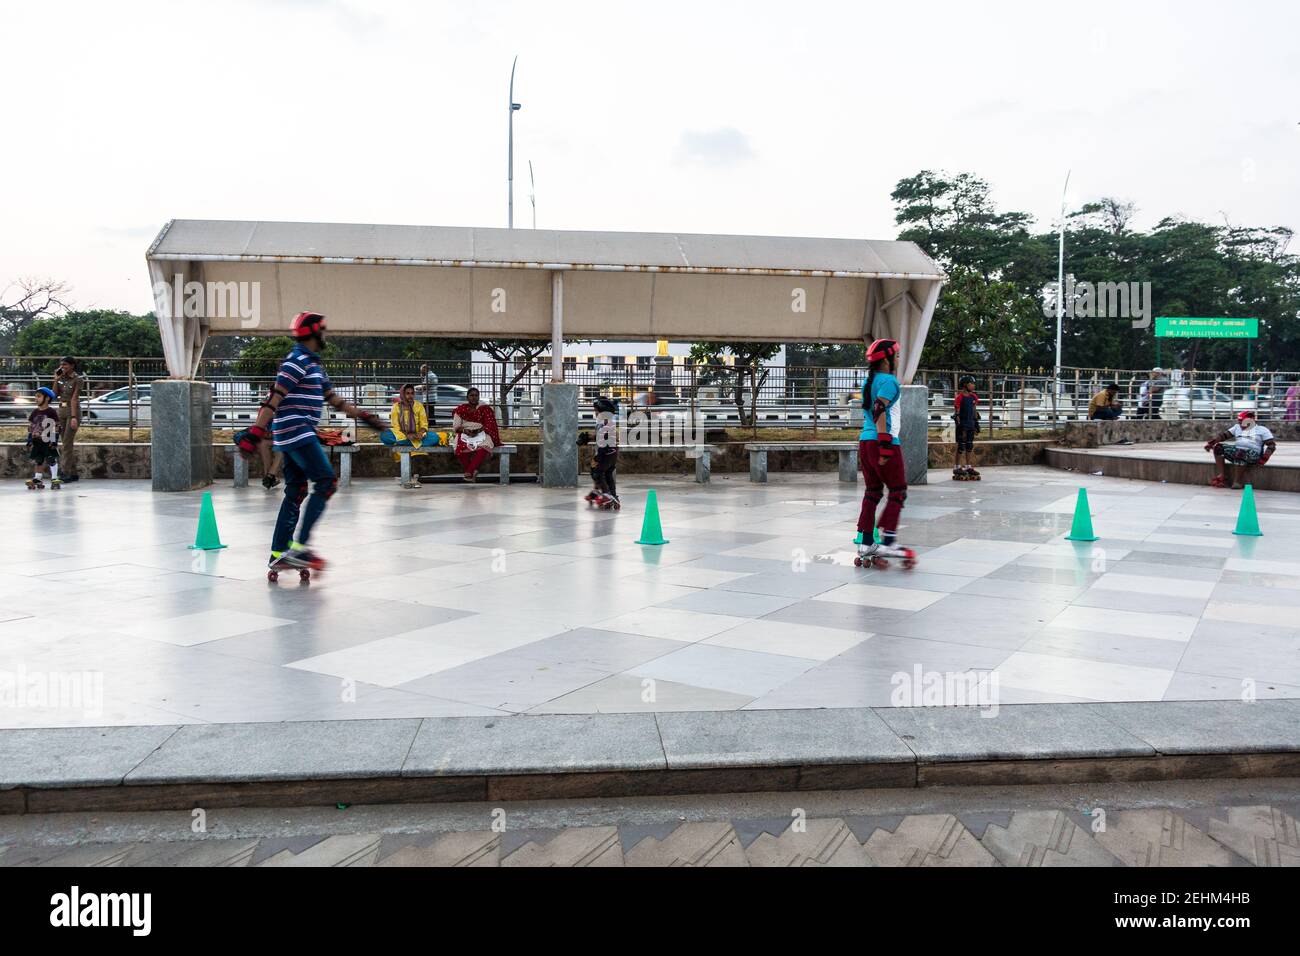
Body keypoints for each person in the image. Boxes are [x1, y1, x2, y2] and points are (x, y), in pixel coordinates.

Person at [236, 312, 386, 575]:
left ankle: (278, 554)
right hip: (296, 430)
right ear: (315, 333)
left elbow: (334, 400)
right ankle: (301, 548)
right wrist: (257, 431)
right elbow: (275, 397)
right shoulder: (296, 361)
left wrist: (364, 416)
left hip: (295, 432)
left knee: (296, 490)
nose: (325, 336)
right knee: (326, 482)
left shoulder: (314, 365)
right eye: (323, 332)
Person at [855, 339, 915, 568]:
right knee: (898, 490)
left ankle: (867, 542)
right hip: (883, 441)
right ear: (887, 360)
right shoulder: (889, 381)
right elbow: (879, 408)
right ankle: (889, 540)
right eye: (897, 356)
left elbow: (872, 409)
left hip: (865, 441)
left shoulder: (868, 382)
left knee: (872, 492)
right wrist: (885, 443)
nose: (898, 360)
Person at [1205, 411, 1277, 489]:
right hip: (1238, 452)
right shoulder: (1237, 427)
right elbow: (1224, 436)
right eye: (1239, 421)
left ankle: (1237, 482)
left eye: (1242, 421)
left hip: (1253, 454)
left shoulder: (1262, 430)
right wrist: (1211, 443)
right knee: (1218, 448)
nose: (1240, 423)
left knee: (1240, 452)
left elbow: (1271, 446)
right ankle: (1222, 476)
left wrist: (1264, 459)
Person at [451, 387, 501, 482]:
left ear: (478, 397)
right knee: (460, 447)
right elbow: (456, 427)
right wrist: (466, 431)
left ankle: (469, 471)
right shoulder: (461, 409)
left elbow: (490, 424)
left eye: (476, 395)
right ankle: (472, 472)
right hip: (465, 432)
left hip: (482, 432)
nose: (474, 398)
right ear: (467, 397)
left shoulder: (485, 409)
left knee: (484, 446)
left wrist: (478, 431)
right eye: (471, 395)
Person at [580, 395, 620, 509]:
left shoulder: (606, 422)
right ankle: (611, 495)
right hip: (610, 452)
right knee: (607, 474)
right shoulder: (603, 421)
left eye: (596, 410)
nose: (595, 412)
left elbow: (605, 439)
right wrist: (587, 437)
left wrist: (600, 455)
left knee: (597, 472)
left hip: (606, 452)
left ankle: (606, 494)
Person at [383, 384, 444, 454]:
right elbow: (396, 426)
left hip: (417, 436)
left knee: (435, 437)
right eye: (407, 393)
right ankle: (412, 442)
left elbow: (424, 424)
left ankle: (405, 442)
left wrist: (420, 433)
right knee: (385, 435)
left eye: (412, 393)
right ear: (402, 394)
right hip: (402, 435)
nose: (410, 396)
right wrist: (407, 435)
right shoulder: (396, 407)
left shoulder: (419, 406)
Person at [51, 357, 82, 482]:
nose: (63, 367)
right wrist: (56, 379)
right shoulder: (61, 378)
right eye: (61, 365)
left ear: (72, 366)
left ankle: (65, 472)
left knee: (67, 443)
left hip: (72, 411)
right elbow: (54, 395)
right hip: (61, 410)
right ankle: (73, 472)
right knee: (65, 443)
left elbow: (74, 398)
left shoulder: (78, 379)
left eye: (65, 365)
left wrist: (74, 417)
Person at [24, 387, 62, 490]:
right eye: (35, 396)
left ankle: (54, 478)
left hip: (48, 440)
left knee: (51, 459)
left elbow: (56, 427)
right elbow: (31, 427)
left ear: (47, 398)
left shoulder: (51, 412)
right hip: (37, 440)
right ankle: (38, 478)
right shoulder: (35, 412)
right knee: (38, 460)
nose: (36, 398)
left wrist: (54, 441)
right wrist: (29, 439)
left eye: (39, 396)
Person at [952, 376, 981, 481]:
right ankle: (957, 467)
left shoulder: (974, 397)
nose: (973, 385)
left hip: (971, 424)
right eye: (971, 383)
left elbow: (974, 411)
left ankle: (968, 466)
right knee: (961, 446)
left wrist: (976, 423)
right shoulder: (959, 397)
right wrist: (958, 422)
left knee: (969, 445)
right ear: (965, 385)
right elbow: (957, 412)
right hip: (962, 424)